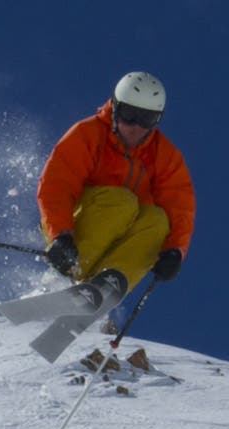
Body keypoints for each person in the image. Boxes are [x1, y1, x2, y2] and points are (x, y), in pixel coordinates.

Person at [37, 72, 195, 308]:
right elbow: (57, 185)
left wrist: (175, 251)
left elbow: (179, 206)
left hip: (122, 231)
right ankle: (63, 278)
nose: (135, 127)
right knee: (124, 202)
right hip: (71, 226)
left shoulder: (164, 155)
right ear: (115, 109)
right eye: (129, 115)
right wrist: (60, 235)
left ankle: (102, 291)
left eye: (146, 119)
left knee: (158, 221)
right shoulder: (88, 134)